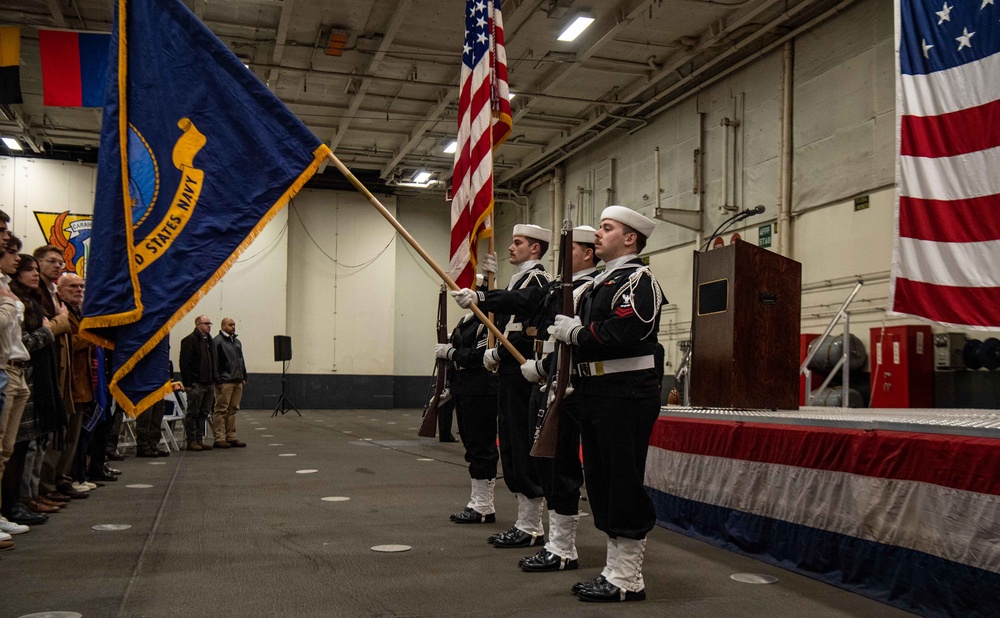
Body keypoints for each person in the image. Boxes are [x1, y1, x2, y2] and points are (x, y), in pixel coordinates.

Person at [549, 206, 664, 603]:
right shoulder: (601, 282)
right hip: (596, 392)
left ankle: (628, 578)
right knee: (600, 481)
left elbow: (631, 328)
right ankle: (614, 570)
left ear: (630, 238)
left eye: (607, 228)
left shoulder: (638, 278)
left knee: (622, 480)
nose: (598, 234)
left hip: (626, 393)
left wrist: (578, 332)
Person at [451, 224, 551, 548]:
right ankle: (524, 522)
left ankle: (532, 524)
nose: (510, 247)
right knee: (509, 446)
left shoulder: (536, 279)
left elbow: (520, 304)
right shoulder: (518, 278)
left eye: (518, 243)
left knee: (521, 447)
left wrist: (482, 293)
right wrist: (487, 282)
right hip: (510, 371)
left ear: (535, 249)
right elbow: (507, 309)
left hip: (525, 372)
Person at [517, 225, 601, 573]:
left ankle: (564, 547)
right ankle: (555, 543)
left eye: (571, 250)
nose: (562, 257)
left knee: (562, 463)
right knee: (545, 463)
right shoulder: (559, 289)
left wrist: (546, 366)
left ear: (587, 254)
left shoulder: (590, 289)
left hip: (570, 384)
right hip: (549, 378)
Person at [437, 277, 499, 524]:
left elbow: (479, 356)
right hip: (464, 388)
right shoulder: (467, 320)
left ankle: (484, 505)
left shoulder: (488, 321)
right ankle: (477, 501)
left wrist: (452, 353)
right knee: (472, 447)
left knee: (482, 447)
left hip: (482, 389)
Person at [179, 315, 217, 451]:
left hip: (209, 382)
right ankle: (191, 440)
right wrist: (188, 383)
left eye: (210, 323)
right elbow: (185, 363)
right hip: (196, 383)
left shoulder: (209, 341)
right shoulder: (190, 340)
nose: (209, 326)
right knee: (193, 413)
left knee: (204, 413)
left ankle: (199, 439)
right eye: (206, 323)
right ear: (198, 325)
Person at [212, 317, 247, 448]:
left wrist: (244, 376)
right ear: (223, 326)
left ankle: (231, 436)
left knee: (233, 409)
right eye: (230, 325)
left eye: (234, 324)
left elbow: (241, 360)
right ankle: (219, 437)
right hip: (225, 380)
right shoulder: (218, 341)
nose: (233, 327)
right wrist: (218, 380)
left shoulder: (236, 342)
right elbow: (215, 362)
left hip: (237, 380)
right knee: (221, 409)